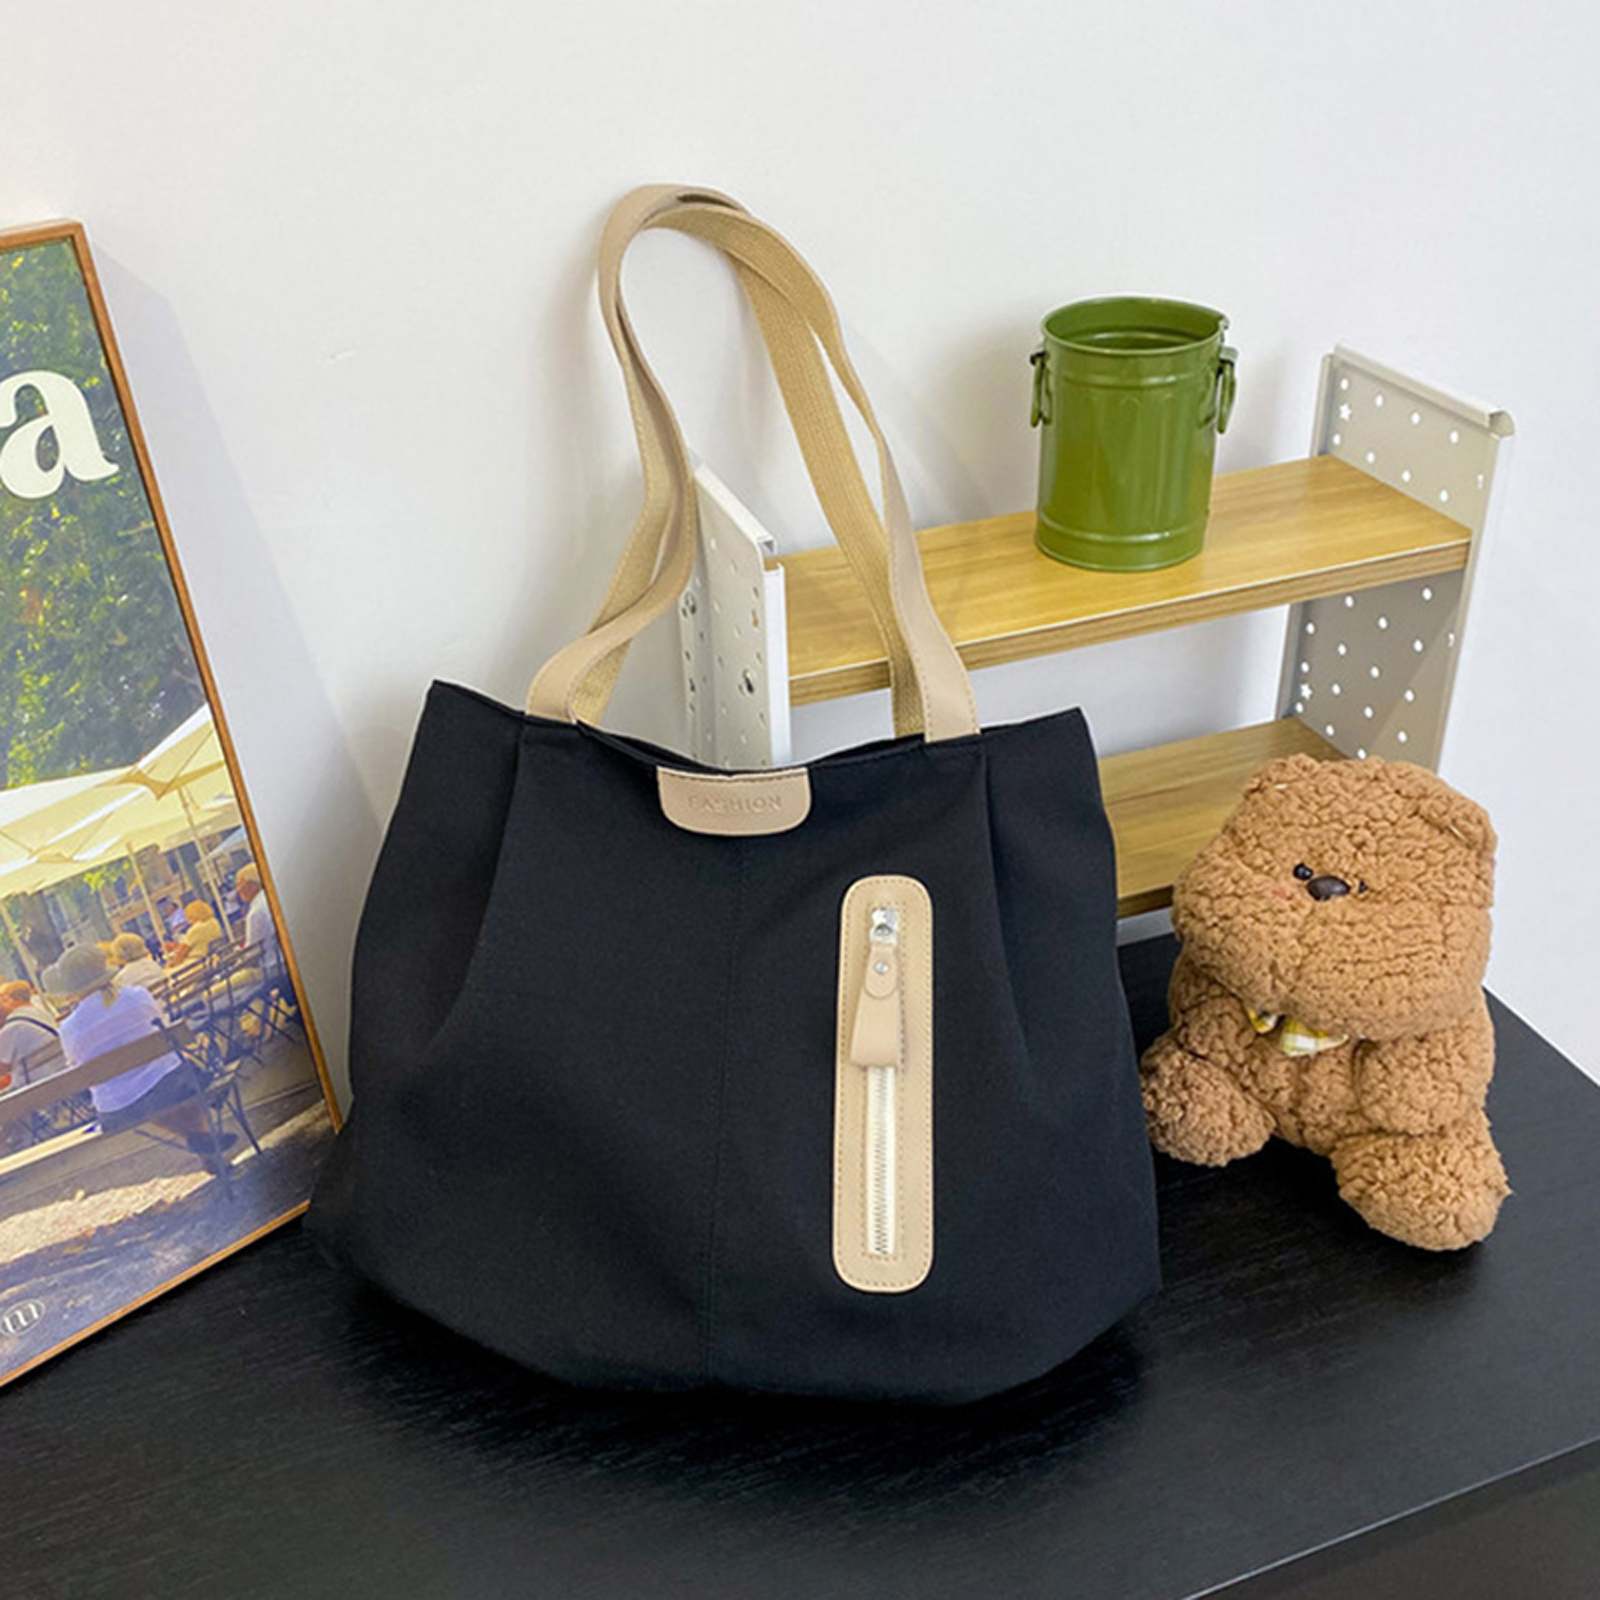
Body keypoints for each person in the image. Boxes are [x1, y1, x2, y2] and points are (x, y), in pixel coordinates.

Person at [53, 944, 233, 1173]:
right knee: (175, 1081)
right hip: (169, 1086)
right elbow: (167, 1032)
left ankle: (201, 1143)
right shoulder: (137, 996)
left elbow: (75, 1067)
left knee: (150, 1092)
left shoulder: (69, 1028)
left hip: (117, 1109)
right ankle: (202, 1142)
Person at [0, 979, 62, 1089]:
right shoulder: (37, 1013)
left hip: (40, 1087)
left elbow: (2, 1069)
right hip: (59, 1072)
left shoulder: (12, 1029)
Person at [235, 864, 279, 960]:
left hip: (270, 963)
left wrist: (237, 951)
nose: (237, 890)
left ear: (251, 884)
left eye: (239, 884)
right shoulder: (272, 897)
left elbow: (252, 953)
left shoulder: (255, 914)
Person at [170, 900, 225, 964]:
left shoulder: (194, 930)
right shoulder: (214, 922)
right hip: (215, 958)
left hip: (197, 962)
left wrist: (170, 964)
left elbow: (181, 954)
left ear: (192, 915)